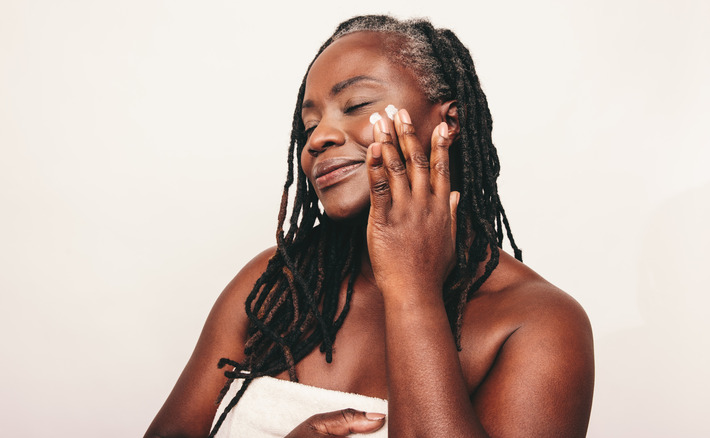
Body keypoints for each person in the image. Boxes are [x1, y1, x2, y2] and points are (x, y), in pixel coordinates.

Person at [145, 15, 594, 438]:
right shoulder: (276, 283)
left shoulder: (538, 323)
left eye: (356, 104)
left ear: (450, 121)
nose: (318, 138)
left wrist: (413, 289)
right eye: (309, 124)